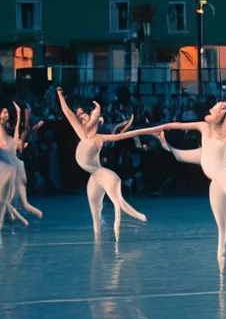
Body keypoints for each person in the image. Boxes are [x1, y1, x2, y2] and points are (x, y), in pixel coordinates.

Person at [154, 68, 226, 275]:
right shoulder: (203, 142)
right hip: (216, 183)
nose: (209, 111)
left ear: (218, 116)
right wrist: (162, 138)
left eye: (213, 110)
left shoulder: (224, 132)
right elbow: (178, 144)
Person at [56, 90, 163, 241]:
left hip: (100, 173)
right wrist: (60, 95)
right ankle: (100, 236)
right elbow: (67, 111)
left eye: (84, 117)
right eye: (81, 117)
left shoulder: (98, 137)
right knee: (95, 211)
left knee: (118, 204)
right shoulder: (83, 134)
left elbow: (122, 135)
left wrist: (151, 130)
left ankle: (128, 225)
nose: (81, 119)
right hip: (95, 175)